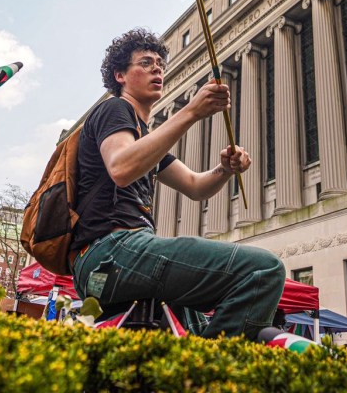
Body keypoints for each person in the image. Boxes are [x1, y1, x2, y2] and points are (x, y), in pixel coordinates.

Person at [70, 28, 285, 341]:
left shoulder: (145, 138)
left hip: (119, 259)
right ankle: (213, 378)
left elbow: (196, 186)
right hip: (109, 252)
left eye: (160, 63)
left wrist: (224, 169)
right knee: (262, 270)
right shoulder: (115, 109)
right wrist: (192, 111)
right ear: (120, 75)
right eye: (145, 63)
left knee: (195, 328)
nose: (157, 68)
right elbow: (120, 167)